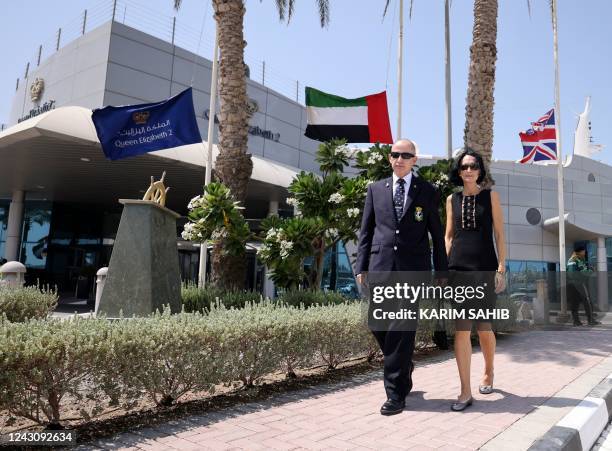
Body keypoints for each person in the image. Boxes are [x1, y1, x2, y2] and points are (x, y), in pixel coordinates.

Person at [356, 139, 448, 416]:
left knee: (401, 329)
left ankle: (395, 394)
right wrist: (362, 267)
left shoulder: (428, 191)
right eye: (395, 154)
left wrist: (440, 271)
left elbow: (436, 232)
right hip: (381, 267)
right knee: (378, 324)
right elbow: (366, 231)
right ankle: (403, 364)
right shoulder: (375, 190)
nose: (400, 159)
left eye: (405, 155)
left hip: (413, 270)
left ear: (414, 159)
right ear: (389, 158)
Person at [445, 148, 507, 412]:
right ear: (458, 172)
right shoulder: (451, 199)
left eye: (473, 166)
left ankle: (489, 371)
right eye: (464, 167)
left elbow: (499, 235)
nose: (468, 170)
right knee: (461, 328)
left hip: (484, 269)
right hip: (458, 269)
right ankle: (465, 391)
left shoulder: (490, 197)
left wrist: (501, 268)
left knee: (483, 327)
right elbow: (448, 235)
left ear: (480, 170)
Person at [567, 244, 600, 326]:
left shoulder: (570, 260)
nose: (584, 253)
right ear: (580, 252)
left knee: (574, 303)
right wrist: (591, 270)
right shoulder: (578, 260)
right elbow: (583, 272)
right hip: (578, 283)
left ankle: (576, 321)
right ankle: (591, 320)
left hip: (571, 284)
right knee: (587, 301)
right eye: (584, 252)